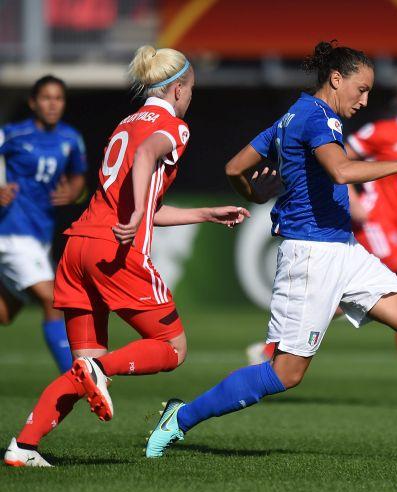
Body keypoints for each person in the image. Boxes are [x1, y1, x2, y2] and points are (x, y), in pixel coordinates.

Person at [146, 41, 397, 459]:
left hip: (343, 249)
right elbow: (340, 170)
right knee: (285, 374)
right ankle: (180, 417)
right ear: (336, 79)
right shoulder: (320, 117)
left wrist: (254, 192)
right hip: (311, 255)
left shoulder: (293, 115)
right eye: (361, 89)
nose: (365, 99)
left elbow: (234, 168)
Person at [4, 45, 249, 468]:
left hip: (78, 245)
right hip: (113, 251)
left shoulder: (127, 121)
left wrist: (204, 214)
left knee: (83, 363)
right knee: (172, 348)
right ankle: (100, 372)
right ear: (176, 90)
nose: (191, 98)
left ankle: (23, 446)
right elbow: (146, 157)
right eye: (190, 90)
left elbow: (140, 195)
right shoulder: (172, 125)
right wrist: (137, 213)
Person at [247, 58, 397, 408]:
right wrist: (355, 198)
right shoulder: (381, 131)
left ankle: (272, 347)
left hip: (396, 227)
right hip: (375, 223)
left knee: (348, 296)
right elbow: (341, 161)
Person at [0, 75, 87, 373]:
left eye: (59, 98)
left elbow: (79, 177)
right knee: (53, 299)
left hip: (40, 234)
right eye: (47, 98)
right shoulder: (11, 134)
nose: (53, 104)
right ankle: (76, 379)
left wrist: (74, 191)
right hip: (11, 231)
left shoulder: (70, 139)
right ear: (33, 103)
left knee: (5, 313)